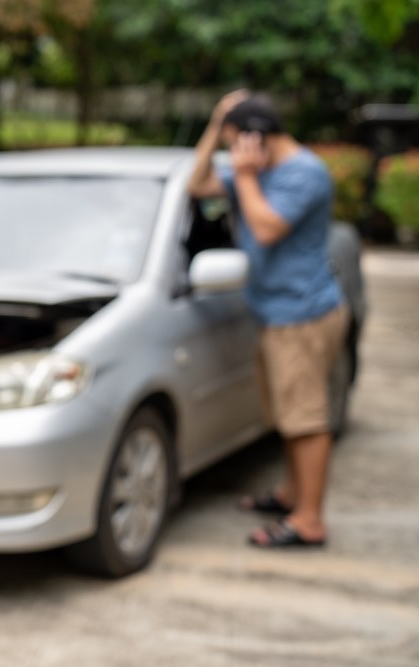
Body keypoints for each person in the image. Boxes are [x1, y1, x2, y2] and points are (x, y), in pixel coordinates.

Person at [187, 91, 349, 549]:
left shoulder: (304, 173)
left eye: (234, 141)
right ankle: (291, 495)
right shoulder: (255, 170)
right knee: (286, 415)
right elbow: (196, 185)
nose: (230, 151)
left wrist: (243, 175)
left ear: (256, 140)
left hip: (303, 315)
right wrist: (215, 124)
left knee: (306, 419)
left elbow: (266, 227)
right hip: (275, 313)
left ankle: (308, 521)